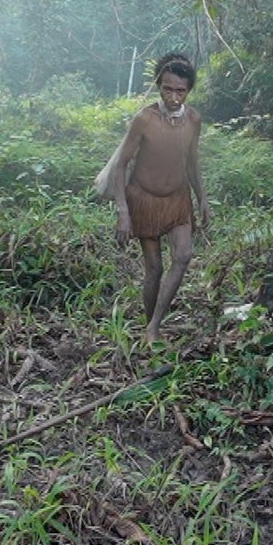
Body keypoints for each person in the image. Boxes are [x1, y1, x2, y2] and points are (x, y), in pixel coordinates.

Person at [95, 53, 210, 344]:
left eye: (180, 91)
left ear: (189, 91)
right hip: (144, 200)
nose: (174, 97)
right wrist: (123, 211)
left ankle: (153, 327)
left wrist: (203, 200)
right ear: (159, 85)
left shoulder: (193, 119)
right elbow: (122, 164)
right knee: (155, 269)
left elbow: (192, 163)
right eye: (168, 89)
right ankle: (150, 325)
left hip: (178, 199)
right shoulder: (145, 119)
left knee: (183, 257)